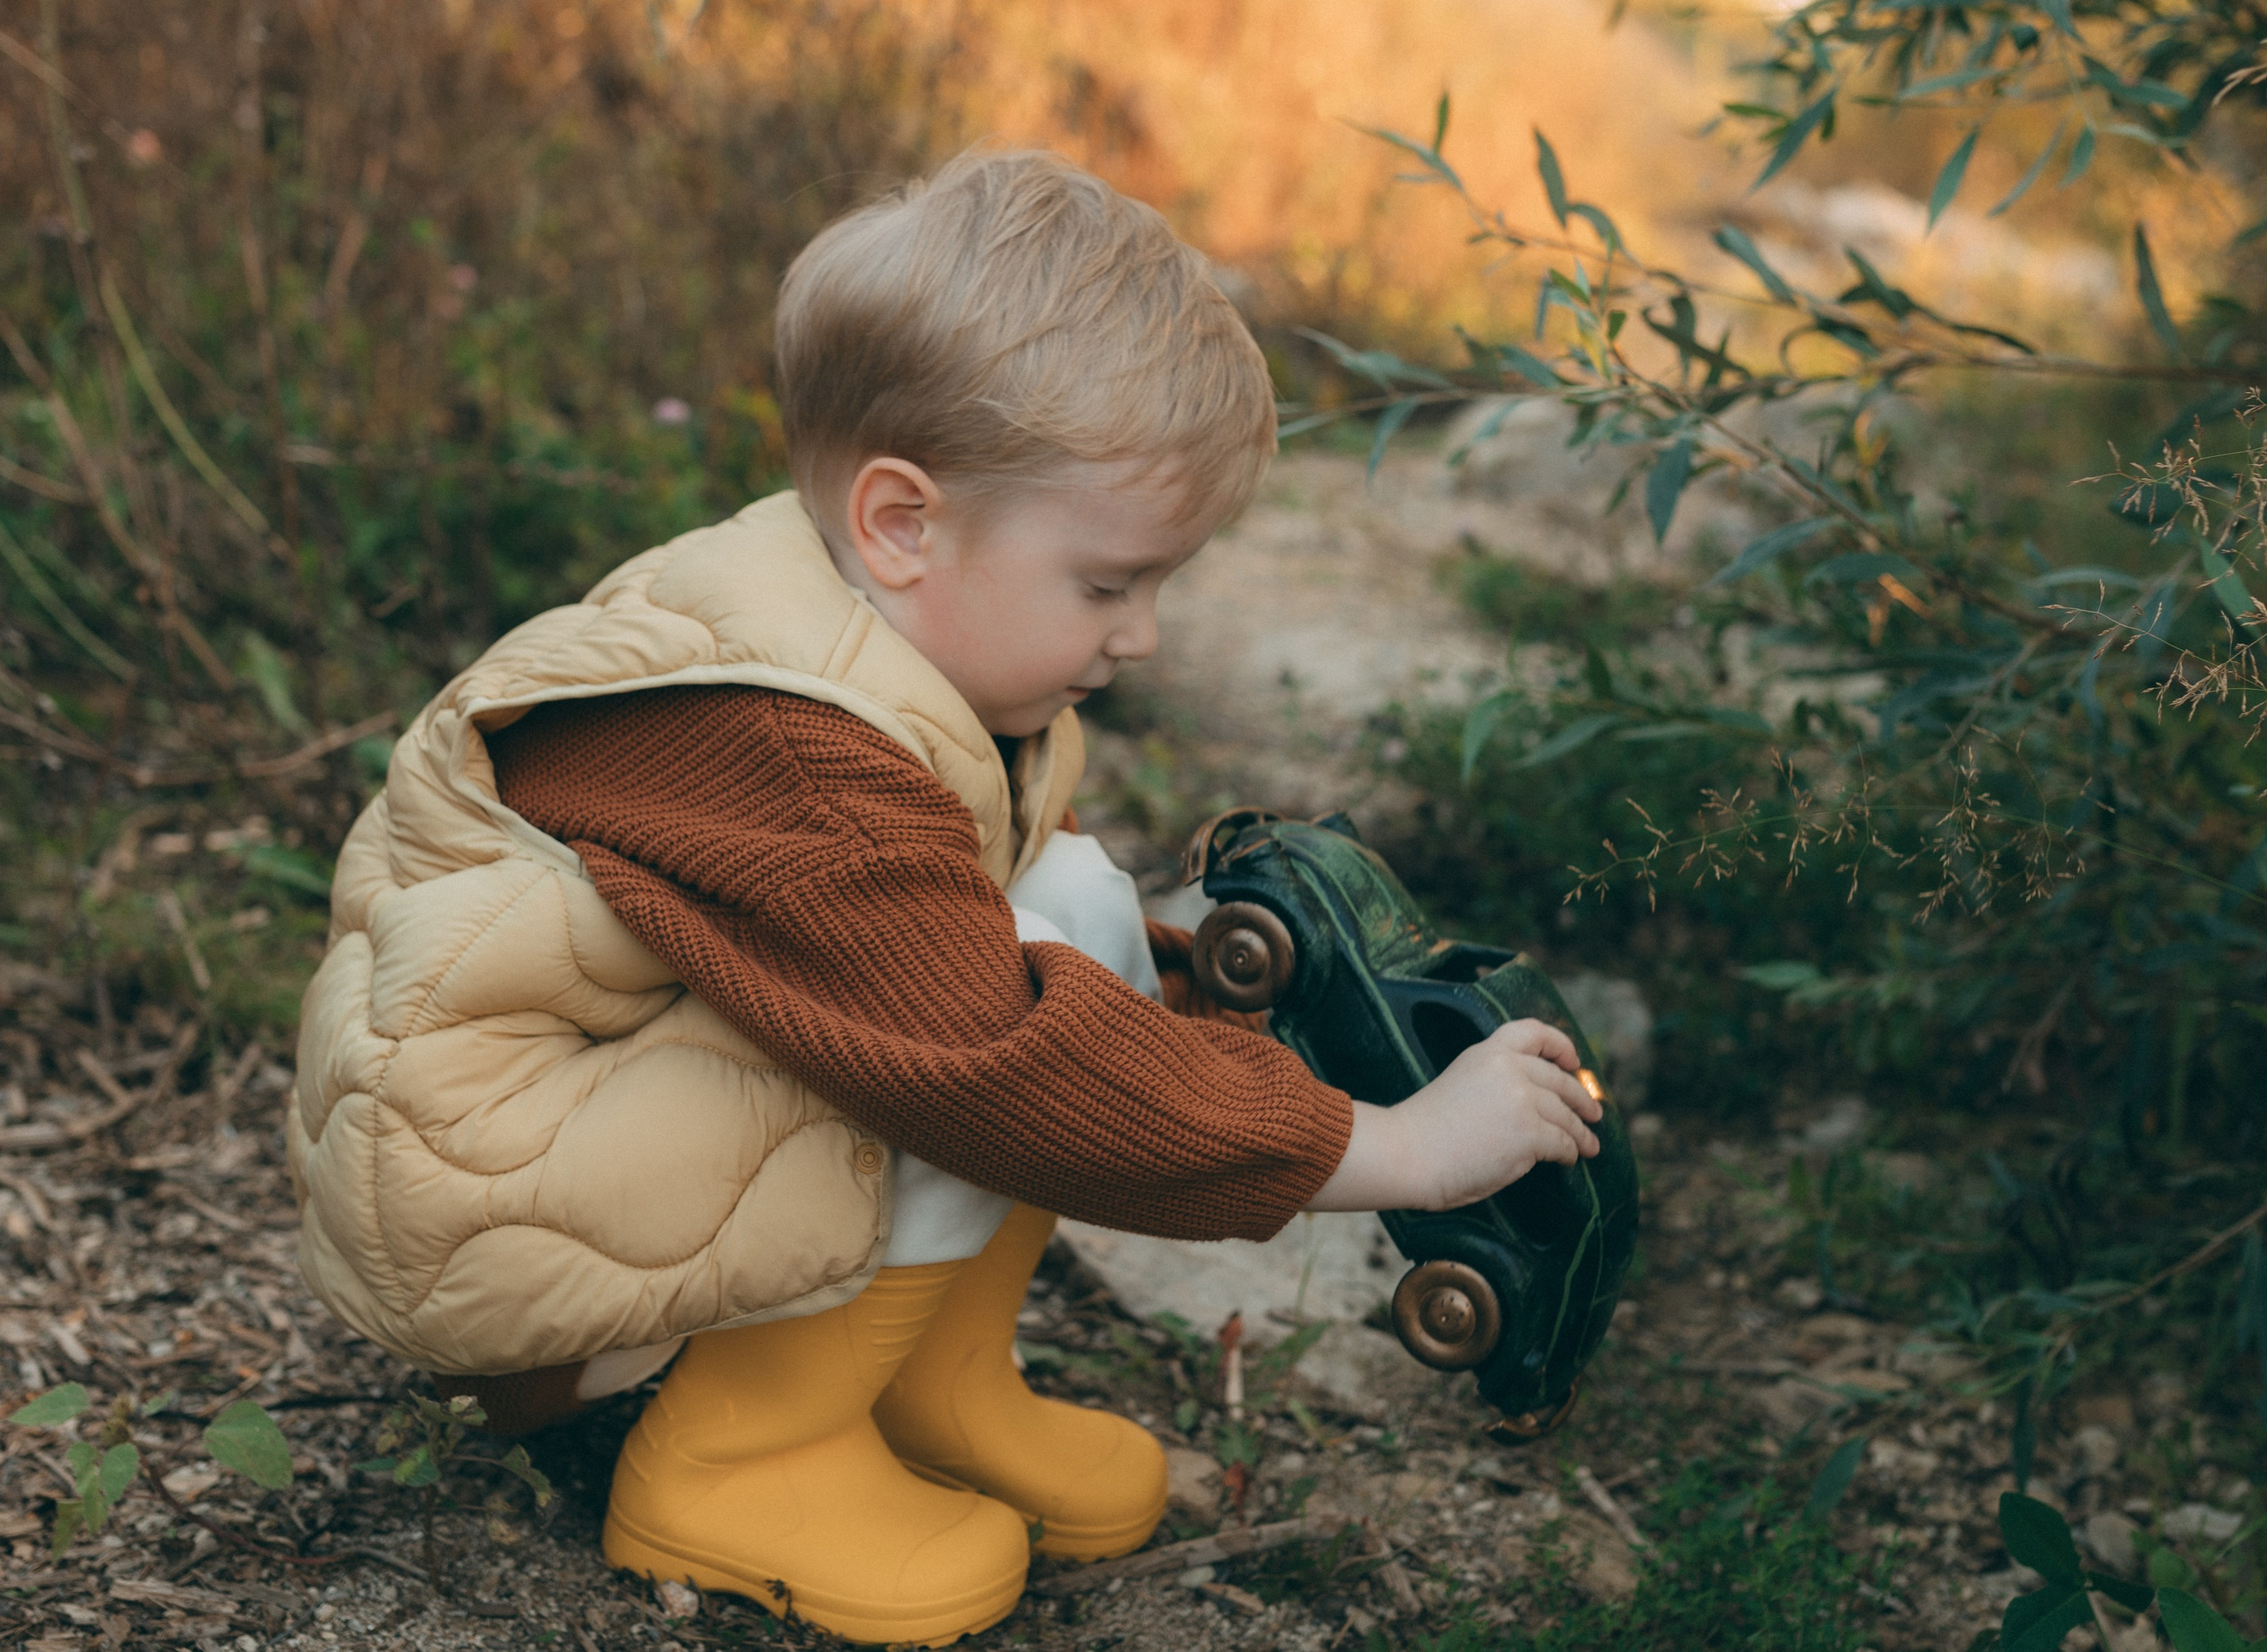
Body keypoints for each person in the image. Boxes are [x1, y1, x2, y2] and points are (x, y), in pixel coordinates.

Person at [287, 148, 1603, 1648]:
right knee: (995, 1006)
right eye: (1108, 584)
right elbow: (994, 1048)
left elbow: (998, 959)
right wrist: (1394, 1149)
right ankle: (739, 1457)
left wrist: (1182, 996)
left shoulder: (856, 622)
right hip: (514, 1234)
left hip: (607, 1152)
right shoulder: (789, 742)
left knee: (1073, 897)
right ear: (905, 522)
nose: (1145, 634)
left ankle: (923, 1380)